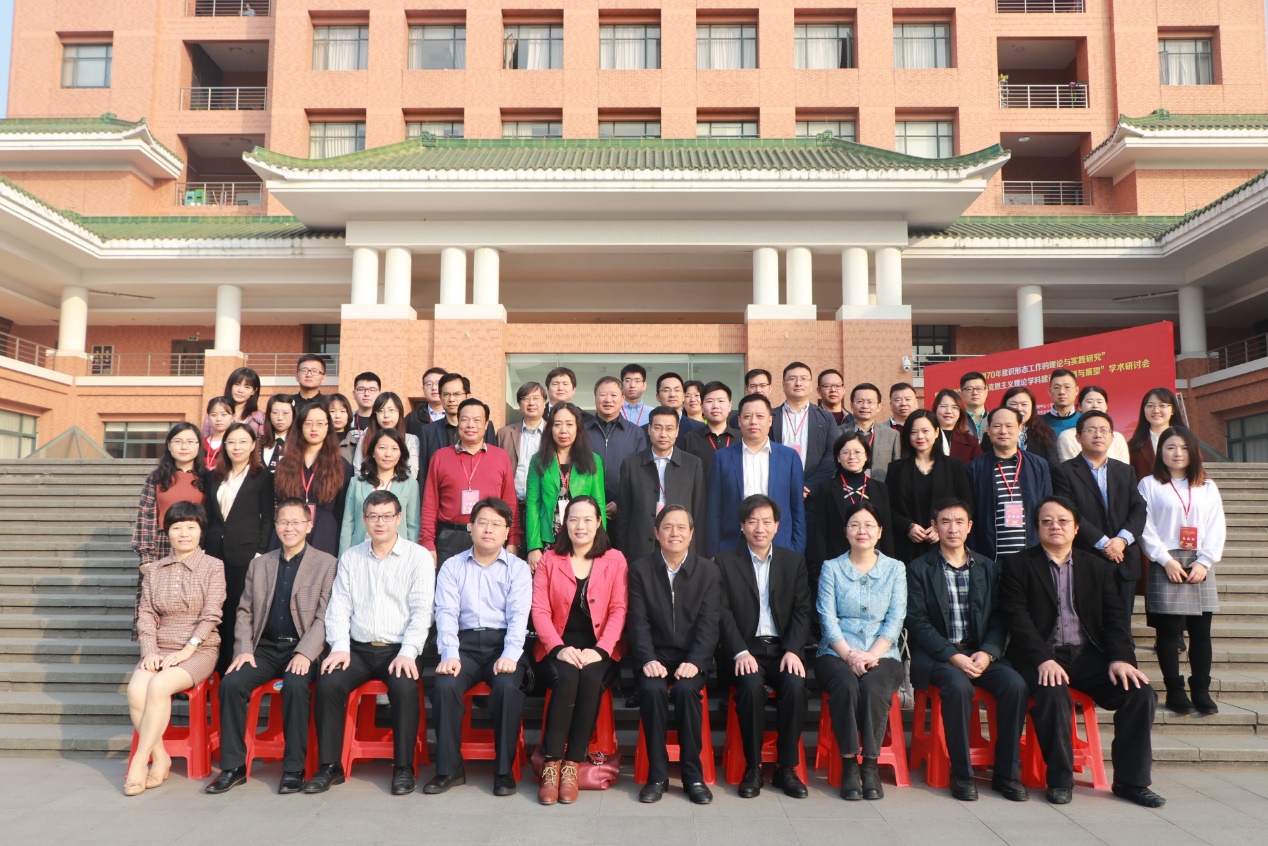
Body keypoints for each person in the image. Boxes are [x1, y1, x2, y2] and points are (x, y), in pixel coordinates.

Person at [1000, 496, 1163, 808]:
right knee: (1053, 693)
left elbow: (1115, 619)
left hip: (1087, 655)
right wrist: (1043, 659)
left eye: (1063, 521)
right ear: (1037, 527)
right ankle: (1060, 780)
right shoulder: (1018, 565)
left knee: (1140, 693)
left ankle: (1131, 782)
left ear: (1076, 528)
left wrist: (1120, 659)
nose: (1055, 526)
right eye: (1046, 521)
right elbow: (1017, 619)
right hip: (1039, 656)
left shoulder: (1096, 567)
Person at [305, 490, 435, 796]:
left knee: (404, 687)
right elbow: (339, 607)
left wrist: (408, 652)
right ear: (364, 519)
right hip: (358, 650)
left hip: (399, 649)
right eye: (373, 516)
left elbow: (422, 611)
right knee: (328, 683)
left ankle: (403, 768)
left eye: (387, 516)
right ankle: (330, 766)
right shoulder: (352, 557)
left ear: (398, 518)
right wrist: (340, 647)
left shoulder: (417, 557)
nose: (380, 523)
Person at [206, 498, 338, 795]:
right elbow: (244, 612)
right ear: (275, 526)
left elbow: (325, 616)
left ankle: (293, 769)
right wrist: (244, 649)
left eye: (296, 522)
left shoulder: (326, 563)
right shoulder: (260, 564)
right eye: (283, 522)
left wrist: (305, 653)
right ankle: (233, 768)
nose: (289, 528)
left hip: (301, 647)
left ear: (309, 525)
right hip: (264, 648)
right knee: (231, 684)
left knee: (295, 685)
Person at [905, 498, 1030, 802]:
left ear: (970, 526)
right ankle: (962, 773)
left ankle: (1006, 774)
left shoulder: (988, 568)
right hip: (939, 657)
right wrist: (953, 655)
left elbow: (999, 617)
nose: (953, 528)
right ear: (934, 526)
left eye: (959, 522)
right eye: (945, 522)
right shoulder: (919, 568)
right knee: (959, 687)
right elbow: (917, 622)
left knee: (1015, 685)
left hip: (980, 654)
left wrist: (987, 652)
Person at [427, 497, 532, 797]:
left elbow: (519, 615)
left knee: (508, 688)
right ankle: (449, 769)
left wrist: (510, 654)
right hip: (465, 646)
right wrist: (449, 653)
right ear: (470, 527)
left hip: (504, 644)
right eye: (482, 522)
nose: (488, 529)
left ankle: (504, 772)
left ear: (507, 532)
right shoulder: (452, 566)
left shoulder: (517, 568)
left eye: (497, 524)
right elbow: (445, 612)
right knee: (444, 686)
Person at [531, 496, 628, 805]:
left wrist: (601, 649)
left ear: (599, 522)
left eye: (587, 519)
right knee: (568, 676)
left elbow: (618, 609)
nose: (580, 526)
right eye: (573, 519)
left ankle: (572, 765)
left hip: (601, 647)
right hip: (556, 646)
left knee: (589, 676)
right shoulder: (550, 559)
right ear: (564, 523)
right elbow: (539, 611)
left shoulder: (615, 559)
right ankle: (551, 765)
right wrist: (557, 648)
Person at [715, 495, 812, 799]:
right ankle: (753, 767)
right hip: (745, 650)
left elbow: (803, 612)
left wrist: (793, 649)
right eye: (753, 521)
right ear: (742, 526)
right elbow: (722, 613)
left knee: (795, 686)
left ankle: (786, 767)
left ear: (777, 525)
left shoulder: (793, 562)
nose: (760, 528)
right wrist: (739, 651)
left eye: (767, 521)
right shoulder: (725, 563)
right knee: (751, 686)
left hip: (783, 649)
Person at [125, 501, 225, 795]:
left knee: (158, 686)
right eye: (177, 527)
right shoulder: (154, 570)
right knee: (135, 690)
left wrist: (188, 649)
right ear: (167, 532)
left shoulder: (213, 566)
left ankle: (139, 762)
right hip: (160, 646)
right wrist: (149, 651)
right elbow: (146, 614)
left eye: (191, 527)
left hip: (200, 649)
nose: (184, 533)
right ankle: (161, 757)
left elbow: (212, 613)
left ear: (200, 531)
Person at [626, 505, 721, 805]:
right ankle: (657, 775)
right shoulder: (640, 569)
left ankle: (693, 776)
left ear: (692, 533)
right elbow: (637, 621)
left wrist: (695, 661)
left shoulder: (708, 571)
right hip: (654, 655)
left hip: (692, 656)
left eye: (681, 527)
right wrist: (647, 659)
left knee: (685, 690)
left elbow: (709, 623)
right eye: (667, 527)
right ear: (656, 533)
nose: (674, 533)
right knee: (652, 690)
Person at [815, 501, 906, 801]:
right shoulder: (831, 568)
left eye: (868, 525)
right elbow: (827, 619)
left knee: (874, 687)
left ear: (880, 531)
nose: (861, 531)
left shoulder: (895, 569)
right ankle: (848, 765)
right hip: (836, 653)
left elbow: (896, 619)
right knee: (846, 684)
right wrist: (850, 655)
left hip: (883, 654)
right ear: (846, 531)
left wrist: (872, 655)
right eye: (855, 525)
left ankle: (869, 765)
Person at [1138, 426, 1226, 716]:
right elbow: (1145, 526)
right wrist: (1165, 560)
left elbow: (1216, 525)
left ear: (1193, 452)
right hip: (1166, 561)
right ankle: (1175, 691)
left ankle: (1201, 690)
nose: (1177, 453)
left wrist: (1205, 561)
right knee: (1168, 632)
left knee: (1201, 632)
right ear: (1160, 452)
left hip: (1199, 560)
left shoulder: (1207, 485)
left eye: (1184, 447)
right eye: (1170, 447)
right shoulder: (1149, 484)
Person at [1054, 410, 1147, 616]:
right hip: (1086, 558)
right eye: (1091, 430)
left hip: (1123, 559)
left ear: (1112, 437)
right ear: (1078, 437)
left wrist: (1122, 540)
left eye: (1104, 430)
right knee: (1088, 623)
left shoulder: (1125, 470)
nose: (1098, 434)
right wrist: (1104, 543)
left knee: (1122, 624)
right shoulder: (1064, 471)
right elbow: (1069, 512)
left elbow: (1139, 508)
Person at [204, 422, 274, 674]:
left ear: (253, 445)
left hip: (245, 553)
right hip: (214, 551)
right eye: (231, 441)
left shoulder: (263, 477)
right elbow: (209, 515)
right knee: (214, 608)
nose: (237, 447)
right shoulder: (214, 476)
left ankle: (233, 667)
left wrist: (260, 551)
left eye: (243, 441)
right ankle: (212, 667)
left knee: (237, 609)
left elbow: (268, 517)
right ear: (224, 445)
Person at [422, 398, 521, 565]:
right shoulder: (440, 457)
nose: (470, 425)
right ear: (457, 422)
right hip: (450, 537)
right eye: (465, 419)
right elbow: (430, 504)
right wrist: (427, 542)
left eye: (477, 420)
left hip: (490, 536)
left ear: (486, 424)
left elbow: (510, 502)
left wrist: (513, 540)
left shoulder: (500, 457)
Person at [706, 394, 806, 557]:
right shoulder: (722, 457)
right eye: (747, 416)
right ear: (739, 421)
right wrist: (714, 551)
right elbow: (714, 509)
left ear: (770, 421)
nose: (753, 421)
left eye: (760, 416)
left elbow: (797, 509)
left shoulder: (789, 457)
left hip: (780, 543)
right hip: (733, 543)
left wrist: (797, 550)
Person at [615, 406, 706, 561]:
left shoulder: (692, 464)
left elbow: (698, 511)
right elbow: (624, 513)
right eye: (657, 428)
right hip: (641, 546)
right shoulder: (631, 464)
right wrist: (623, 553)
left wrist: (698, 554)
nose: (663, 434)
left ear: (677, 431)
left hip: (680, 545)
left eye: (669, 428)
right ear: (649, 429)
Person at [526, 403, 606, 571]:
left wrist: (600, 543)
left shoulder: (593, 460)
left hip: (583, 538)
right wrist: (533, 546)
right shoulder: (538, 460)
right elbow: (533, 504)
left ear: (578, 428)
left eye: (569, 424)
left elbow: (598, 504)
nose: (563, 430)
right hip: (549, 538)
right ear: (550, 428)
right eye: (557, 424)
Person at [966, 407, 1054, 560]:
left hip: (1031, 556)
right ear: (988, 430)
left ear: (1020, 428)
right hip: (990, 558)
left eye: (1009, 426)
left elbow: (1047, 509)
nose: (1003, 431)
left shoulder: (1039, 465)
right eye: (997, 426)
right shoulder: (974, 468)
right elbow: (970, 514)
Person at [887, 409, 972, 564]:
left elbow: (966, 504)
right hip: (907, 547)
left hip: (946, 545)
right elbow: (888, 507)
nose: (920, 436)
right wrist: (907, 527)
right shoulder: (896, 468)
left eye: (925, 431)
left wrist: (941, 528)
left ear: (936, 432)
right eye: (914, 432)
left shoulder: (954, 466)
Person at [273, 402, 353, 558]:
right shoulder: (285, 464)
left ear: (328, 427)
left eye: (320, 423)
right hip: (290, 531)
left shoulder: (341, 466)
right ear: (300, 427)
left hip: (325, 534)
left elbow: (342, 511)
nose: (314, 428)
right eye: (308, 423)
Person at [812, 431, 895, 573]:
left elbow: (886, 528)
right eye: (846, 453)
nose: (852, 457)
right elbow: (819, 530)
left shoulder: (880, 488)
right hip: (837, 562)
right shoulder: (826, 488)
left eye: (857, 452)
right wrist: (822, 567)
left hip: (873, 564)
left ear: (866, 456)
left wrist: (889, 565)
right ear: (838, 457)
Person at [132, 422, 207, 569]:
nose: (184, 447)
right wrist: (147, 558)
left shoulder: (209, 479)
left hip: (198, 548)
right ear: (169, 445)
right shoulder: (156, 478)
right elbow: (145, 517)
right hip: (163, 545)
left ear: (199, 446)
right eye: (178, 441)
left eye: (190, 441)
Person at [339, 428, 420, 554]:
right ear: (373, 452)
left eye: (394, 449)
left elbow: (413, 527)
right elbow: (347, 525)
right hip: (360, 552)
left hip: (397, 553)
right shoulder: (356, 483)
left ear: (401, 454)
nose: (388, 454)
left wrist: (411, 556)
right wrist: (343, 558)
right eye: (382, 448)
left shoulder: (410, 485)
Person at [771, 362, 841, 497]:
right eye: (792, 379)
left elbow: (832, 455)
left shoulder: (826, 418)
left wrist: (809, 486)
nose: (798, 383)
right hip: (777, 492)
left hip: (814, 494)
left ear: (811, 385)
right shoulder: (770, 417)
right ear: (783, 385)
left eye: (803, 379)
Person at [585, 375, 649, 517]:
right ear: (595, 398)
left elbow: (641, 474)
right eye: (603, 395)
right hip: (588, 509)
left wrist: (620, 502)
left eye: (614, 395)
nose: (608, 400)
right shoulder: (582, 432)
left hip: (625, 511)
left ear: (623, 399)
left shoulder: (636, 433)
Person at [417, 373, 497, 486]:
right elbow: (423, 473)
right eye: (446, 394)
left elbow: (492, 463)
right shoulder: (428, 431)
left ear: (467, 396)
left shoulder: (483, 427)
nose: (451, 399)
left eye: (457, 394)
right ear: (440, 397)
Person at [496, 381, 547, 525]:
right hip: (510, 505)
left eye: (536, 398)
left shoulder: (553, 433)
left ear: (544, 403)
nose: (531, 403)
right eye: (525, 398)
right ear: (519, 404)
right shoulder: (504, 433)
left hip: (543, 505)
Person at [681, 380, 740, 482]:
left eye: (721, 401)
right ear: (702, 407)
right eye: (709, 401)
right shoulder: (689, 440)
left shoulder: (742, 438)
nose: (715, 406)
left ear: (730, 406)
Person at [354, 392, 421, 480]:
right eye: (380, 411)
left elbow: (412, 473)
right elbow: (358, 471)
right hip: (369, 487)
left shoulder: (411, 440)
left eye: (391, 410)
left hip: (401, 487)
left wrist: (388, 486)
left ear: (399, 412)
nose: (386, 415)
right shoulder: (365, 439)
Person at [842, 383, 900, 478]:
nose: (865, 406)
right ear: (851, 405)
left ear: (879, 407)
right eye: (860, 401)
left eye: (870, 402)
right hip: (847, 485)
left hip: (881, 486)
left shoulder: (892, 435)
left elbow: (897, 468)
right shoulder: (838, 432)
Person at [1127, 387, 1186, 481]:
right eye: (1150, 406)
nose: (1156, 410)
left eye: (1162, 405)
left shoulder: (1186, 440)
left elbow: (1197, 472)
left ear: (1173, 410)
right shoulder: (1134, 445)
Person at [1057, 386, 1129, 463]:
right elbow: (1069, 468)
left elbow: (1124, 468)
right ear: (1080, 406)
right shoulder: (1067, 436)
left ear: (1106, 406)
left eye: (1099, 402)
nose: (1095, 405)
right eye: (1089, 402)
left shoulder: (1118, 438)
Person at [1002, 386, 1060, 468]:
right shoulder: (994, 435)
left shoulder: (1045, 434)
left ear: (1032, 408)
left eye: (1024, 404)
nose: (1019, 409)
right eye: (1013, 404)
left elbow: (1054, 467)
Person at [202, 366, 264, 439]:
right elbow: (204, 440)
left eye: (247, 387)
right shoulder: (214, 413)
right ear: (230, 386)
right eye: (237, 384)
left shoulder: (260, 419)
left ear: (254, 391)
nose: (240, 390)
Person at [644, 372, 705, 444]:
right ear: (658, 397)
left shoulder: (699, 428)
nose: (672, 395)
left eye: (677, 390)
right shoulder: (643, 431)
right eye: (666, 390)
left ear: (683, 396)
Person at [933, 388, 983, 464]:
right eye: (943, 406)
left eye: (954, 407)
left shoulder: (970, 441)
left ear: (960, 412)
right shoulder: (926, 438)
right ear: (935, 408)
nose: (949, 411)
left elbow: (979, 468)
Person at [405, 366, 449, 441]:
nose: (434, 388)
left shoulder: (457, 416)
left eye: (438, 383)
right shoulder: (412, 419)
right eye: (429, 384)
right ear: (423, 390)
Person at [1042, 368, 1081, 438]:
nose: (1062, 392)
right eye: (1057, 387)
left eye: (1067, 387)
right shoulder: (1038, 423)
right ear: (1049, 392)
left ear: (1076, 390)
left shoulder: (1085, 421)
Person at [260, 394, 294, 472]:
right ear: (269, 415)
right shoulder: (258, 442)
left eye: (285, 413)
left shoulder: (300, 443)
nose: (280, 418)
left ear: (294, 414)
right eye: (275, 413)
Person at [347, 371, 381, 450]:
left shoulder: (385, 421)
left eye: (372, 390)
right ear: (354, 394)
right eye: (361, 389)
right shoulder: (346, 421)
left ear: (379, 394)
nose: (366, 394)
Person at [203, 396, 235, 470]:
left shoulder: (236, 444)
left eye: (224, 415)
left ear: (233, 417)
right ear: (208, 417)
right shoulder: (200, 443)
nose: (218, 419)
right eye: (213, 415)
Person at [326, 393, 356, 464]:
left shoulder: (356, 443)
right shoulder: (319, 441)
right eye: (332, 411)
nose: (338, 416)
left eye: (342, 411)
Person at [959, 372, 989, 439]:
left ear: (986, 392)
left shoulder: (994, 420)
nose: (975, 393)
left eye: (979, 389)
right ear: (961, 394)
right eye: (969, 389)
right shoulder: (956, 421)